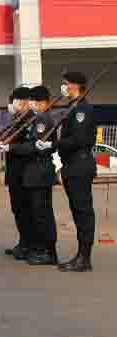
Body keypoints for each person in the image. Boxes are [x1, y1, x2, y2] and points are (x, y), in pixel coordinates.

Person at [0, 85, 58, 266]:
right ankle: (33, 247)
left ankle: (48, 251)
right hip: (30, 172)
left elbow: (34, 145)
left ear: (42, 102)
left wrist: (11, 147)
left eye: (33, 100)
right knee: (32, 212)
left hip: (39, 171)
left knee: (42, 214)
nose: (31, 103)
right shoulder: (34, 118)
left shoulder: (43, 119)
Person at [50, 72, 97, 272]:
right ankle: (81, 255)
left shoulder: (82, 109)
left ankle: (84, 258)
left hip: (80, 165)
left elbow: (79, 139)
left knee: (83, 212)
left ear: (75, 86)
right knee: (78, 212)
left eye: (65, 83)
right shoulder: (73, 107)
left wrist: (55, 144)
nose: (63, 87)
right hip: (72, 165)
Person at [1, 87, 34, 260]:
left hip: (25, 172)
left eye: (15, 101)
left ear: (25, 102)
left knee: (27, 210)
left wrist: (10, 146)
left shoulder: (31, 119)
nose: (12, 105)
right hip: (14, 172)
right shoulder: (16, 119)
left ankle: (31, 245)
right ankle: (23, 242)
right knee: (18, 209)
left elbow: (26, 144)